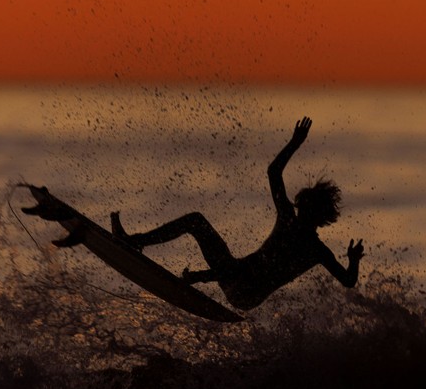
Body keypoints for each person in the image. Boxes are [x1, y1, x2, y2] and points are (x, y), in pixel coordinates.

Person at [110, 116, 364, 310]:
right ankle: (135, 241)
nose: (301, 211)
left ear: (317, 216)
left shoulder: (306, 241)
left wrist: (202, 277)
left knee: (197, 222)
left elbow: (253, 269)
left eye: (307, 210)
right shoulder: (300, 230)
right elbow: (273, 172)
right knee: (196, 221)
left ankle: (134, 242)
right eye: (303, 206)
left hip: (243, 287)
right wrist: (294, 143)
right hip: (241, 285)